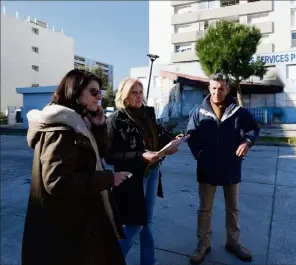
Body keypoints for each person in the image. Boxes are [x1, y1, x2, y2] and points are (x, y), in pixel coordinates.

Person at [22, 69, 130, 265]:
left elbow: (96, 155)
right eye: (94, 92)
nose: (99, 98)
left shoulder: (79, 123)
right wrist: (108, 179)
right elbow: (57, 182)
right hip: (69, 227)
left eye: (100, 92)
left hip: (80, 220)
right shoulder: (62, 130)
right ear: (75, 92)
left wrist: (98, 127)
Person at [186, 72, 260, 265]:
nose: (217, 92)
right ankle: (203, 245)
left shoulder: (237, 111)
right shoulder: (198, 111)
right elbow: (191, 135)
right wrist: (200, 155)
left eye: (221, 88)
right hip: (207, 168)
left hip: (231, 167)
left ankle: (233, 243)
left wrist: (247, 143)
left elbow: (254, 128)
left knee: (233, 208)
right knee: (205, 209)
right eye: (213, 88)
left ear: (227, 89)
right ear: (208, 88)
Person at [105, 77, 179, 265]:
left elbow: (158, 136)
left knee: (147, 222)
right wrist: (140, 156)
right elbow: (110, 156)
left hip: (153, 172)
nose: (138, 96)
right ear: (124, 95)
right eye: (133, 93)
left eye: (140, 92)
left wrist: (172, 143)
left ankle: (148, 262)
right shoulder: (115, 120)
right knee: (135, 224)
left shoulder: (147, 114)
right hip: (131, 179)